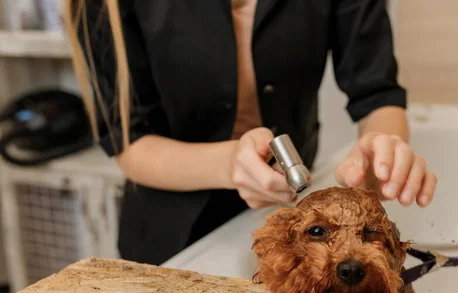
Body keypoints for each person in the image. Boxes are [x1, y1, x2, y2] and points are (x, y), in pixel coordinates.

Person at [64, 0, 438, 266]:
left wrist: (383, 153)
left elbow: (377, 94)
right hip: (169, 241)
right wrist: (228, 163)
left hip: (295, 219)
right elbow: (129, 141)